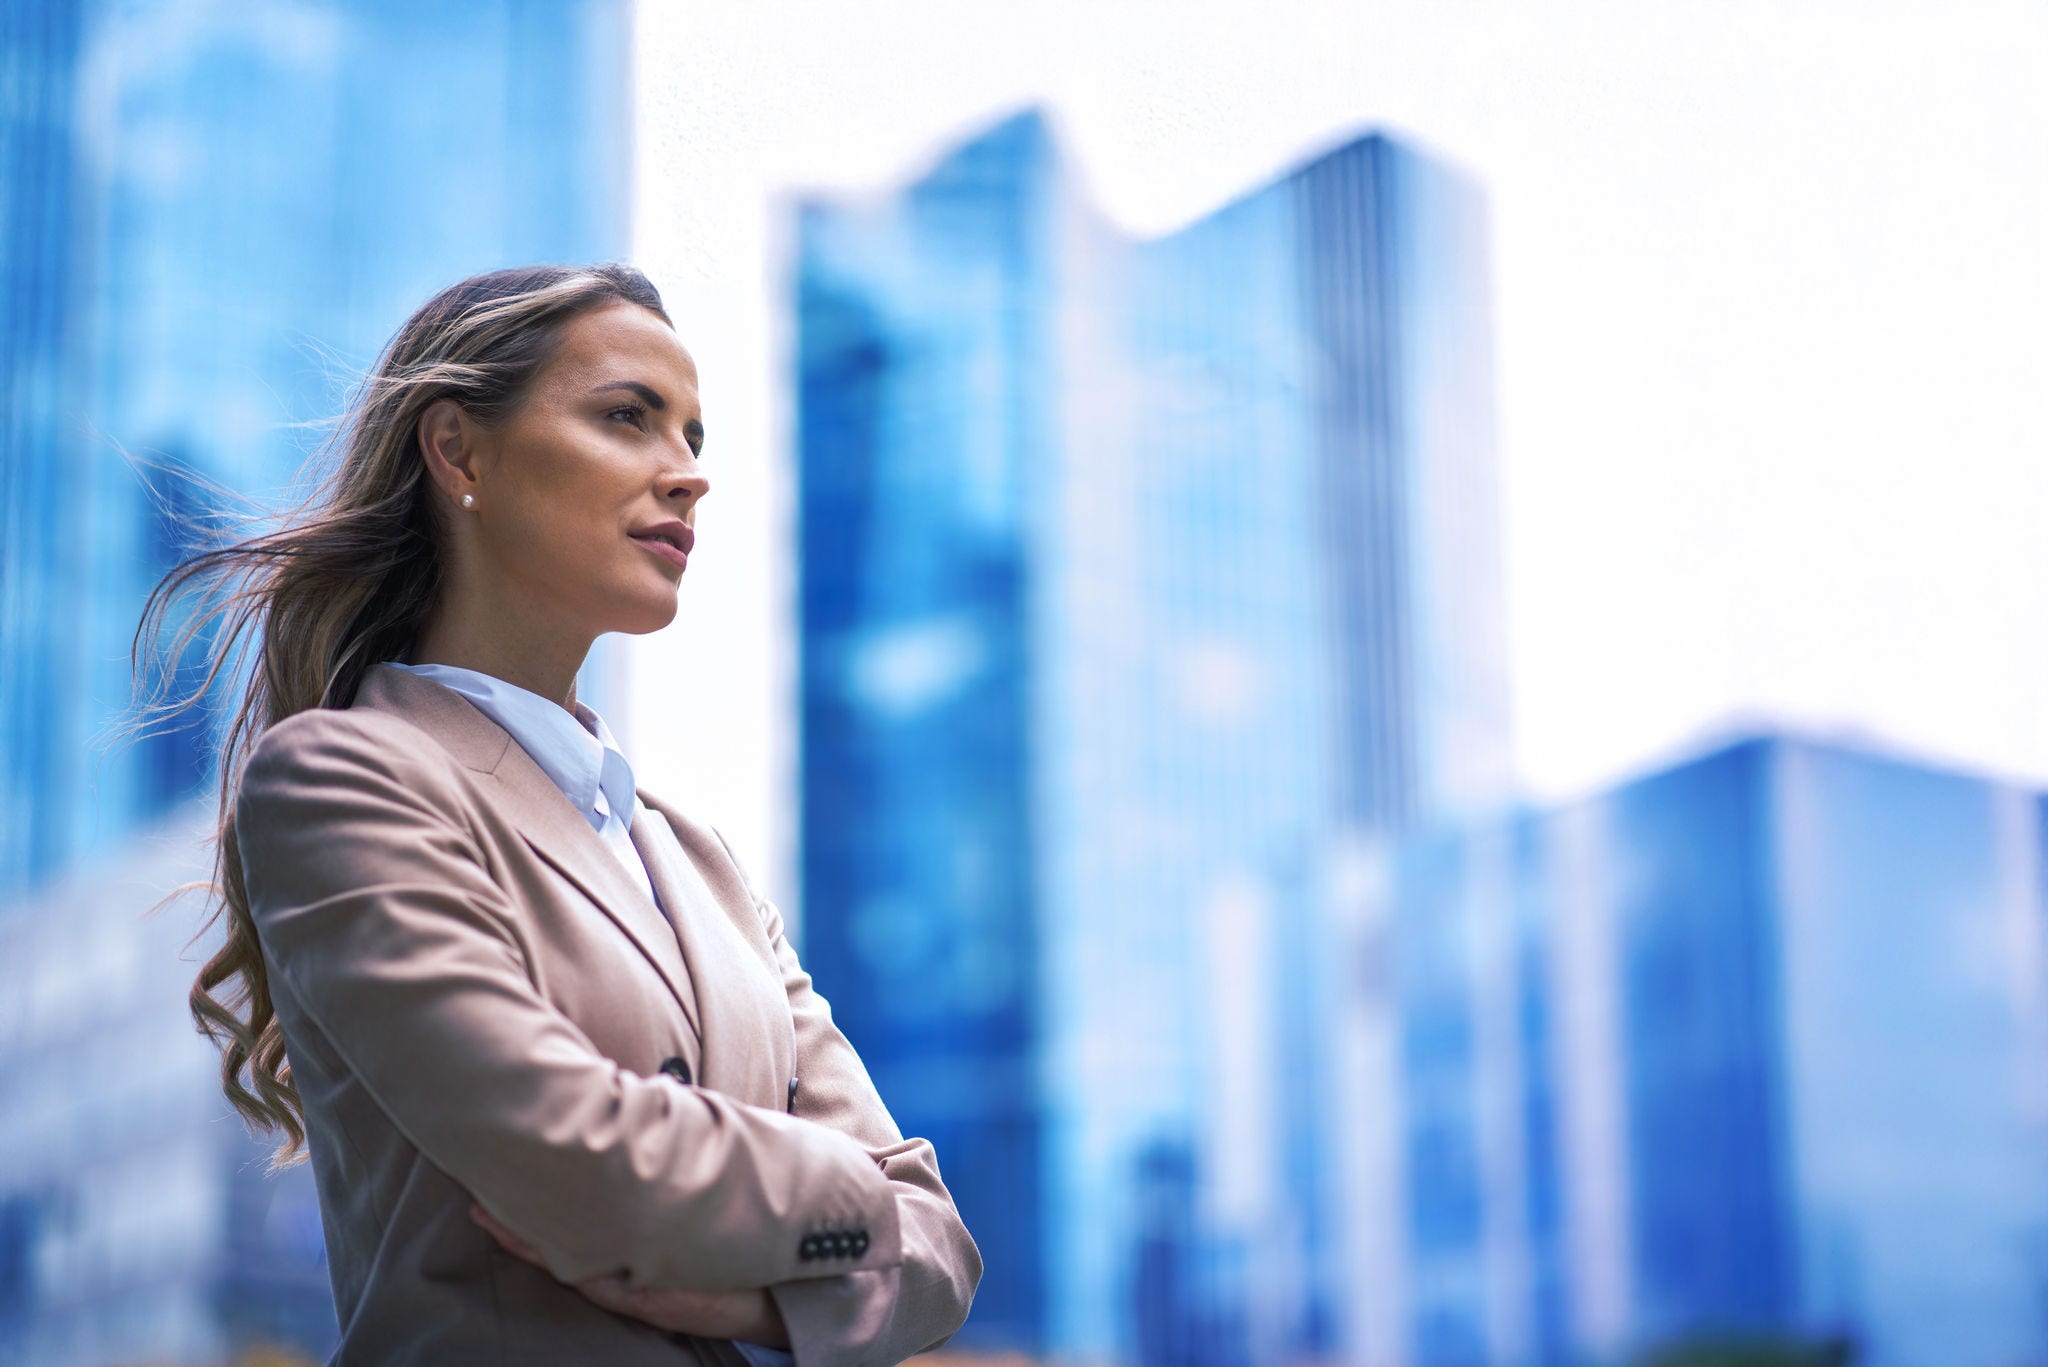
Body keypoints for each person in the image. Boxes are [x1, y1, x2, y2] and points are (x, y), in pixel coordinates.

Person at [149, 263, 982, 1365]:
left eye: (692, 435)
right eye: (627, 417)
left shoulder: (701, 862)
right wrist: (845, 1211)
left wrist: (746, 1301)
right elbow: (568, 1153)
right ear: (458, 451)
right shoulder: (342, 777)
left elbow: (940, 1250)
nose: (686, 474)